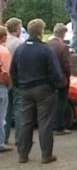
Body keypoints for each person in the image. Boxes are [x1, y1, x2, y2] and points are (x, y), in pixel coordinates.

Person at [11, 19, 64, 164]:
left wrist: (19, 85)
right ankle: (46, 155)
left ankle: (23, 154)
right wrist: (57, 85)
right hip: (44, 89)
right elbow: (55, 72)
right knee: (45, 123)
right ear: (41, 32)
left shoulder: (20, 49)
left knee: (25, 122)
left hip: (25, 89)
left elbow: (13, 71)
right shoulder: (45, 49)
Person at [47, 23, 72, 136]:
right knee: (61, 103)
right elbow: (66, 65)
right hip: (61, 79)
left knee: (49, 103)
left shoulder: (47, 45)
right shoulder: (63, 47)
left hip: (48, 79)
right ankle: (59, 126)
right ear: (64, 33)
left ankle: (50, 125)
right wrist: (67, 75)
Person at [4, 17, 23, 146]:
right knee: (19, 109)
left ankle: (4, 138)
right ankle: (19, 138)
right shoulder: (19, 43)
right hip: (17, 79)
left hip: (4, 80)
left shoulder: (4, 43)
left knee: (5, 110)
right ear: (17, 29)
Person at [0, 25, 12, 152]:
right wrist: (9, 84)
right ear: (4, 37)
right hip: (1, 86)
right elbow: (6, 73)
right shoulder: (4, 51)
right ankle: (0, 142)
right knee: (1, 115)